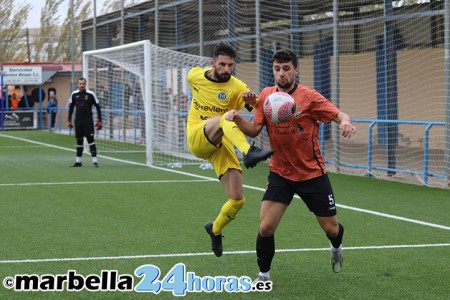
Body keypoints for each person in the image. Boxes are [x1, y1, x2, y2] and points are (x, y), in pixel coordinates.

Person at [225, 49, 356, 282]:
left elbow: (339, 115)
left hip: (312, 174)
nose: (281, 73)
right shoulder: (266, 96)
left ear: (296, 70)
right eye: (277, 69)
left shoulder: (309, 97)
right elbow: (254, 130)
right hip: (280, 172)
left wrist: (345, 122)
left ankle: (336, 246)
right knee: (266, 227)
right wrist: (235, 118)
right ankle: (263, 275)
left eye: (286, 68)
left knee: (331, 229)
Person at [186, 43, 274, 257]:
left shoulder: (236, 86)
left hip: (220, 143)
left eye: (231, 65)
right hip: (198, 136)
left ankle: (215, 230)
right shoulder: (194, 76)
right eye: (222, 64)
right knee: (226, 117)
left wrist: (254, 101)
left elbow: (260, 107)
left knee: (237, 199)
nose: (227, 69)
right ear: (212, 63)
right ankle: (248, 151)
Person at [67, 77, 103, 168]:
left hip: (88, 121)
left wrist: (99, 120)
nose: (82, 85)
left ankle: (95, 162)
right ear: (77, 84)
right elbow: (71, 108)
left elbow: (98, 107)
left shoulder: (91, 94)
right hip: (78, 121)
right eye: (80, 83)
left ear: (85, 84)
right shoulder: (74, 94)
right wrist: (69, 120)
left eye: (83, 84)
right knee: (79, 141)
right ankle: (78, 162)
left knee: (91, 140)